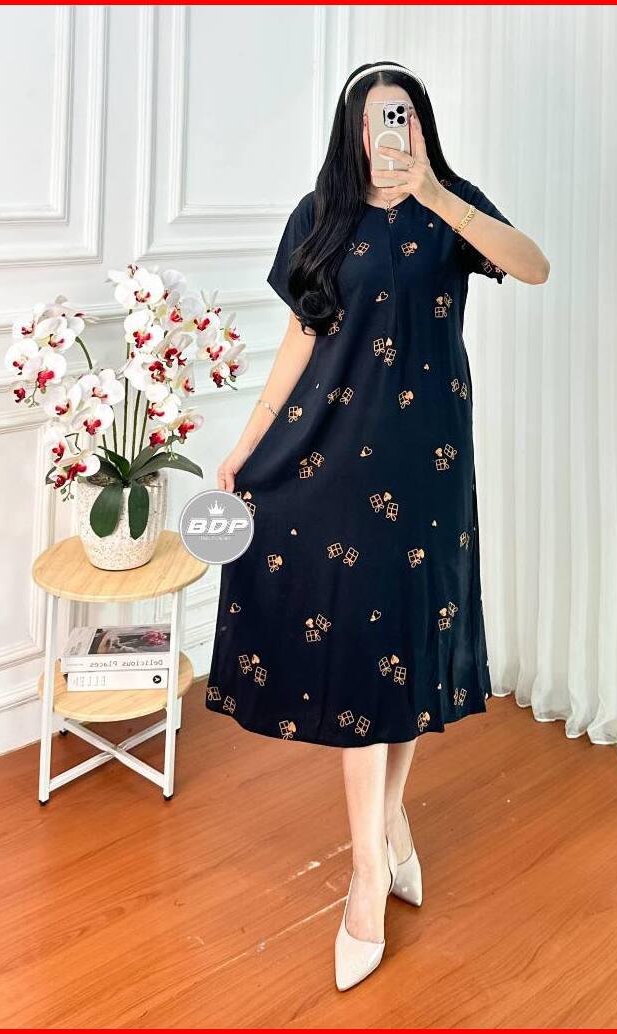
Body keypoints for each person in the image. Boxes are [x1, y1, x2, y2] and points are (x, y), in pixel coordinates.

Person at [207, 60, 549, 991]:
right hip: (332, 460)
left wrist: (435, 192)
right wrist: (248, 442)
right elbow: (302, 336)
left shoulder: (452, 207)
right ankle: (367, 872)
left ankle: (391, 819)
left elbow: (535, 265)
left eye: (400, 115)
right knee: (363, 657)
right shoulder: (318, 215)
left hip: (428, 467)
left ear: (420, 123)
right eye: (371, 118)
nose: (385, 133)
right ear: (349, 130)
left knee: (401, 645)